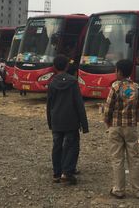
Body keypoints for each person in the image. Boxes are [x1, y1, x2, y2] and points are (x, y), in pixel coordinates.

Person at [103, 59, 139, 199]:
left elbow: (108, 109)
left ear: (120, 72)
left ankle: (119, 190)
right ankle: (138, 190)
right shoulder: (137, 87)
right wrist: (137, 118)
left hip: (115, 127)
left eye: (116, 70)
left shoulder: (115, 87)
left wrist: (108, 122)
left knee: (117, 159)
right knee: (134, 158)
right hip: (131, 128)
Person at [47, 55, 89, 184]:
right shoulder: (73, 82)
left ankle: (56, 173)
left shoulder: (52, 83)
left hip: (56, 120)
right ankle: (67, 172)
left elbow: (50, 104)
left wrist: (50, 121)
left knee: (57, 146)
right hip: (71, 120)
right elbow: (79, 104)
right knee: (72, 146)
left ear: (54, 67)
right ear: (67, 66)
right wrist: (84, 124)